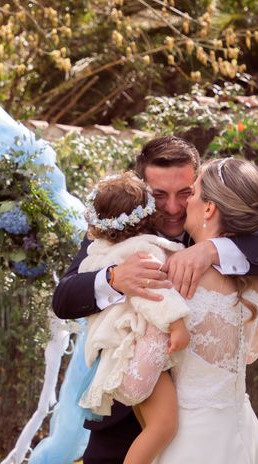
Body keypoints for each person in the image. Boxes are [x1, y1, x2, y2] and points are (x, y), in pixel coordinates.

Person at [52, 136, 258, 463]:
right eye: (159, 195)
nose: (172, 208)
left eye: (185, 193)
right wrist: (114, 278)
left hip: (202, 425)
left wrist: (210, 249)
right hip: (122, 420)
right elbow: (65, 297)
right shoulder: (117, 230)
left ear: (198, 188)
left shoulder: (217, 235)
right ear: (142, 190)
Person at [137, 157, 258, 463]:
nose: (187, 203)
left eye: (193, 193)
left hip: (188, 436)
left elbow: (142, 368)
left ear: (210, 208)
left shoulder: (174, 274)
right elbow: (251, 353)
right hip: (240, 424)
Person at [76, 171, 190, 464]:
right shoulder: (143, 251)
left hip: (112, 355)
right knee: (164, 426)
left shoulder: (98, 252)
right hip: (136, 353)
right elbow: (156, 294)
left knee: (155, 425)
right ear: (146, 218)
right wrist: (177, 325)